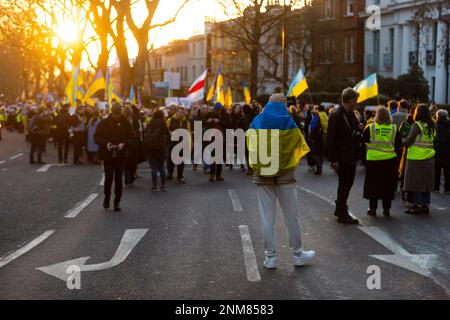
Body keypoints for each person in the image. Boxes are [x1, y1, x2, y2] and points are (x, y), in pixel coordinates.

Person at [247, 93, 315, 269]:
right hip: (286, 177)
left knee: (267, 219)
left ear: (268, 104)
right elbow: (299, 145)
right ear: (284, 105)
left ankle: (271, 258)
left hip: (263, 177)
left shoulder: (257, 121)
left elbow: (250, 144)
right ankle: (298, 254)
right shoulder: (289, 122)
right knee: (292, 217)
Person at [327, 88, 363, 224]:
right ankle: (342, 212)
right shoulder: (336, 115)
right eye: (355, 101)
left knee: (347, 183)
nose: (356, 103)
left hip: (351, 155)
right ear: (351, 100)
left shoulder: (351, 114)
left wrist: (358, 127)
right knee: (345, 184)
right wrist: (333, 159)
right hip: (342, 156)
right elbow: (330, 138)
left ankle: (340, 209)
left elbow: (353, 131)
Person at [363, 106, 402, 217]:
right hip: (390, 161)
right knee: (387, 185)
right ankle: (386, 209)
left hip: (373, 161)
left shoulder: (370, 128)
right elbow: (399, 145)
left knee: (373, 185)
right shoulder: (394, 128)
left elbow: (363, 141)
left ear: (377, 116)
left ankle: (373, 208)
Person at [94, 102, 133, 212]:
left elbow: (132, 137)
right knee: (108, 178)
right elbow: (96, 137)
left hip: (121, 154)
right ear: (112, 112)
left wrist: (123, 144)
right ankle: (107, 197)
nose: (117, 116)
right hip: (107, 154)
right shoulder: (104, 122)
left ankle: (117, 201)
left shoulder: (125, 123)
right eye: (116, 114)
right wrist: (106, 144)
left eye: (119, 114)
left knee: (119, 179)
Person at [403, 104, 436, 214]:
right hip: (429, 157)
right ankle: (425, 204)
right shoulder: (432, 125)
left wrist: (401, 142)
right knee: (426, 183)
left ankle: (416, 205)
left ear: (418, 113)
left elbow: (409, 139)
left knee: (417, 182)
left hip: (416, 158)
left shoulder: (417, 125)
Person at [144, 110, 170, 192]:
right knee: (162, 167)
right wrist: (165, 143)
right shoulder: (162, 124)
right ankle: (163, 186)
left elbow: (145, 134)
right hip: (160, 148)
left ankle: (154, 186)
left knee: (153, 168)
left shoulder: (150, 123)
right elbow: (168, 135)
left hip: (151, 148)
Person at [205, 103, 232, 182]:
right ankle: (211, 174)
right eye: (216, 110)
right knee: (212, 157)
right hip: (211, 138)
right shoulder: (210, 114)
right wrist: (208, 121)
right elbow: (202, 121)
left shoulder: (225, 115)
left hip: (222, 138)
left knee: (219, 157)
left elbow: (229, 123)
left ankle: (218, 175)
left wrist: (219, 121)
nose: (217, 111)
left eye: (218, 110)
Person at [166, 106, 190, 184]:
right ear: (177, 112)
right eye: (179, 112)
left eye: (182, 112)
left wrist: (190, 144)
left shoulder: (186, 121)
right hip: (172, 142)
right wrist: (169, 133)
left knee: (181, 161)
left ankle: (180, 176)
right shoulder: (170, 120)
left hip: (182, 143)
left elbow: (189, 132)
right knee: (170, 159)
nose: (181, 114)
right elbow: (166, 130)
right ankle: (170, 174)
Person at [434, 109, 450, 194]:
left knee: (437, 170)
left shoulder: (435, 125)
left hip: (437, 150)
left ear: (438, 116)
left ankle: (436, 188)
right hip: (448, 151)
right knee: (447, 171)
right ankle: (447, 189)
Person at [122, 105, 138, 187]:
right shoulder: (134, 119)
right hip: (133, 143)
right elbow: (137, 131)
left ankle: (127, 181)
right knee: (132, 162)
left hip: (124, 143)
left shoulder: (122, 120)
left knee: (126, 163)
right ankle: (131, 180)